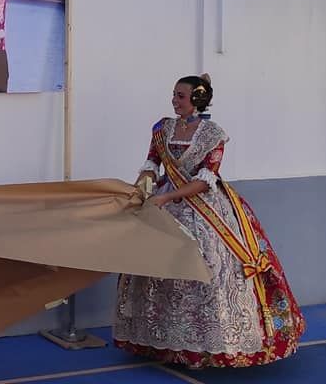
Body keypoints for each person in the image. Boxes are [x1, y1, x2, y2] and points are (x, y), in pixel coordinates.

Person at [114, 74, 305, 368]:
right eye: (174, 95)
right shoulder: (162, 128)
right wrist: (145, 181)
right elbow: (152, 161)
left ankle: (210, 347)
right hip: (164, 199)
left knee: (212, 266)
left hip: (203, 207)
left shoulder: (213, 134)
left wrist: (167, 198)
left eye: (181, 96)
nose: (175, 100)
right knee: (154, 267)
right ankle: (160, 341)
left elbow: (206, 180)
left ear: (197, 99)